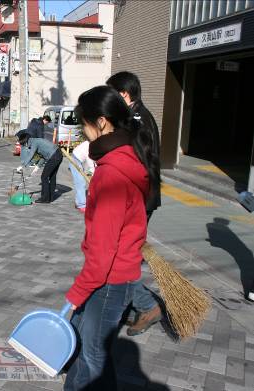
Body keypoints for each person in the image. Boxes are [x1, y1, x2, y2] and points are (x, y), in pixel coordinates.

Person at [63, 86, 160, 390]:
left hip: (108, 280)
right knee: (87, 347)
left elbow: (102, 253)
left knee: (92, 356)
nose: (83, 130)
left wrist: (75, 294)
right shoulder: (129, 157)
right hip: (118, 274)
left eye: (85, 123)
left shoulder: (111, 174)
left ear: (102, 122)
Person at [107, 71, 163, 336]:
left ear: (124, 94)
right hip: (139, 197)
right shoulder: (138, 116)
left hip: (137, 199)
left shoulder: (136, 119)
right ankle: (131, 305)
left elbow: (136, 164)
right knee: (123, 255)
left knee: (120, 258)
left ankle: (147, 305)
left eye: (113, 94)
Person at [17, 133, 63, 204]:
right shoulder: (36, 141)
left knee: (44, 177)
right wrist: (38, 166)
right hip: (58, 154)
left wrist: (22, 166)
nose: (25, 146)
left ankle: (45, 198)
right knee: (52, 176)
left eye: (24, 145)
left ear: (26, 142)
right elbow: (43, 156)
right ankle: (50, 197)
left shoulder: (34, 143)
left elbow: (31, 155)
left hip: (54, 156)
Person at [69, 140, 95, 213]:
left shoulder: (94, 142)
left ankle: (78, 202)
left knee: (80, 181)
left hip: (79, 160)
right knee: (80, 182)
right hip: (75, 160)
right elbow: (89, 159)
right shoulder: (90, 144)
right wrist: (93, 171)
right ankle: (81, 205)